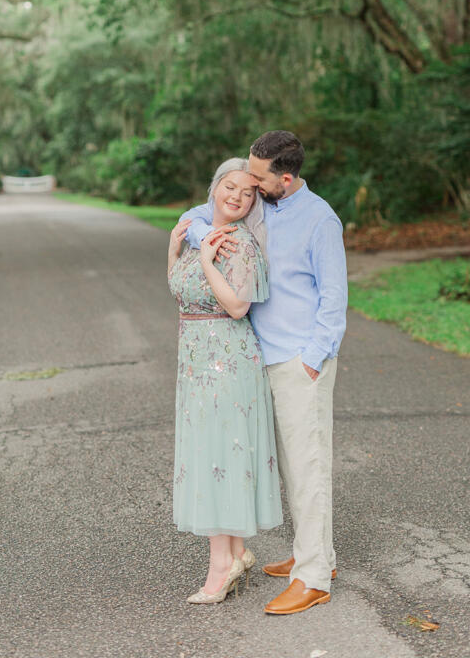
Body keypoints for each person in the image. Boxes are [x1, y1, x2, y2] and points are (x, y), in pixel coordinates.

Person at [181, 130, 347, 615]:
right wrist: (205, 236)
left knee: (308, 465)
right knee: (295, 464)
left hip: (299, 359)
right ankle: (319, 555)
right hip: (256, 356)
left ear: (286, 178)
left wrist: (314, 358)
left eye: (257, 179)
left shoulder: (320, 221)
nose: (247, 186)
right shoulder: (259, 206)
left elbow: (334, 299)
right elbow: (194, 216)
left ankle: (313, 577)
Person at [167, 158, 282, 605]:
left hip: (227, 362)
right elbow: (179, 288)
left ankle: (220, 567)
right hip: (196, 361)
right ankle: (234, 552)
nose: (236, 196)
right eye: (229, 187)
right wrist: (175, 251)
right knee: (210, 452)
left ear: (253, 202)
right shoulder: (195, 232)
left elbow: (237, 307)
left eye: (247, 193)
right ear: (214, 189)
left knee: (218, 455)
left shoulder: (240, 245)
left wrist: (211, 261)